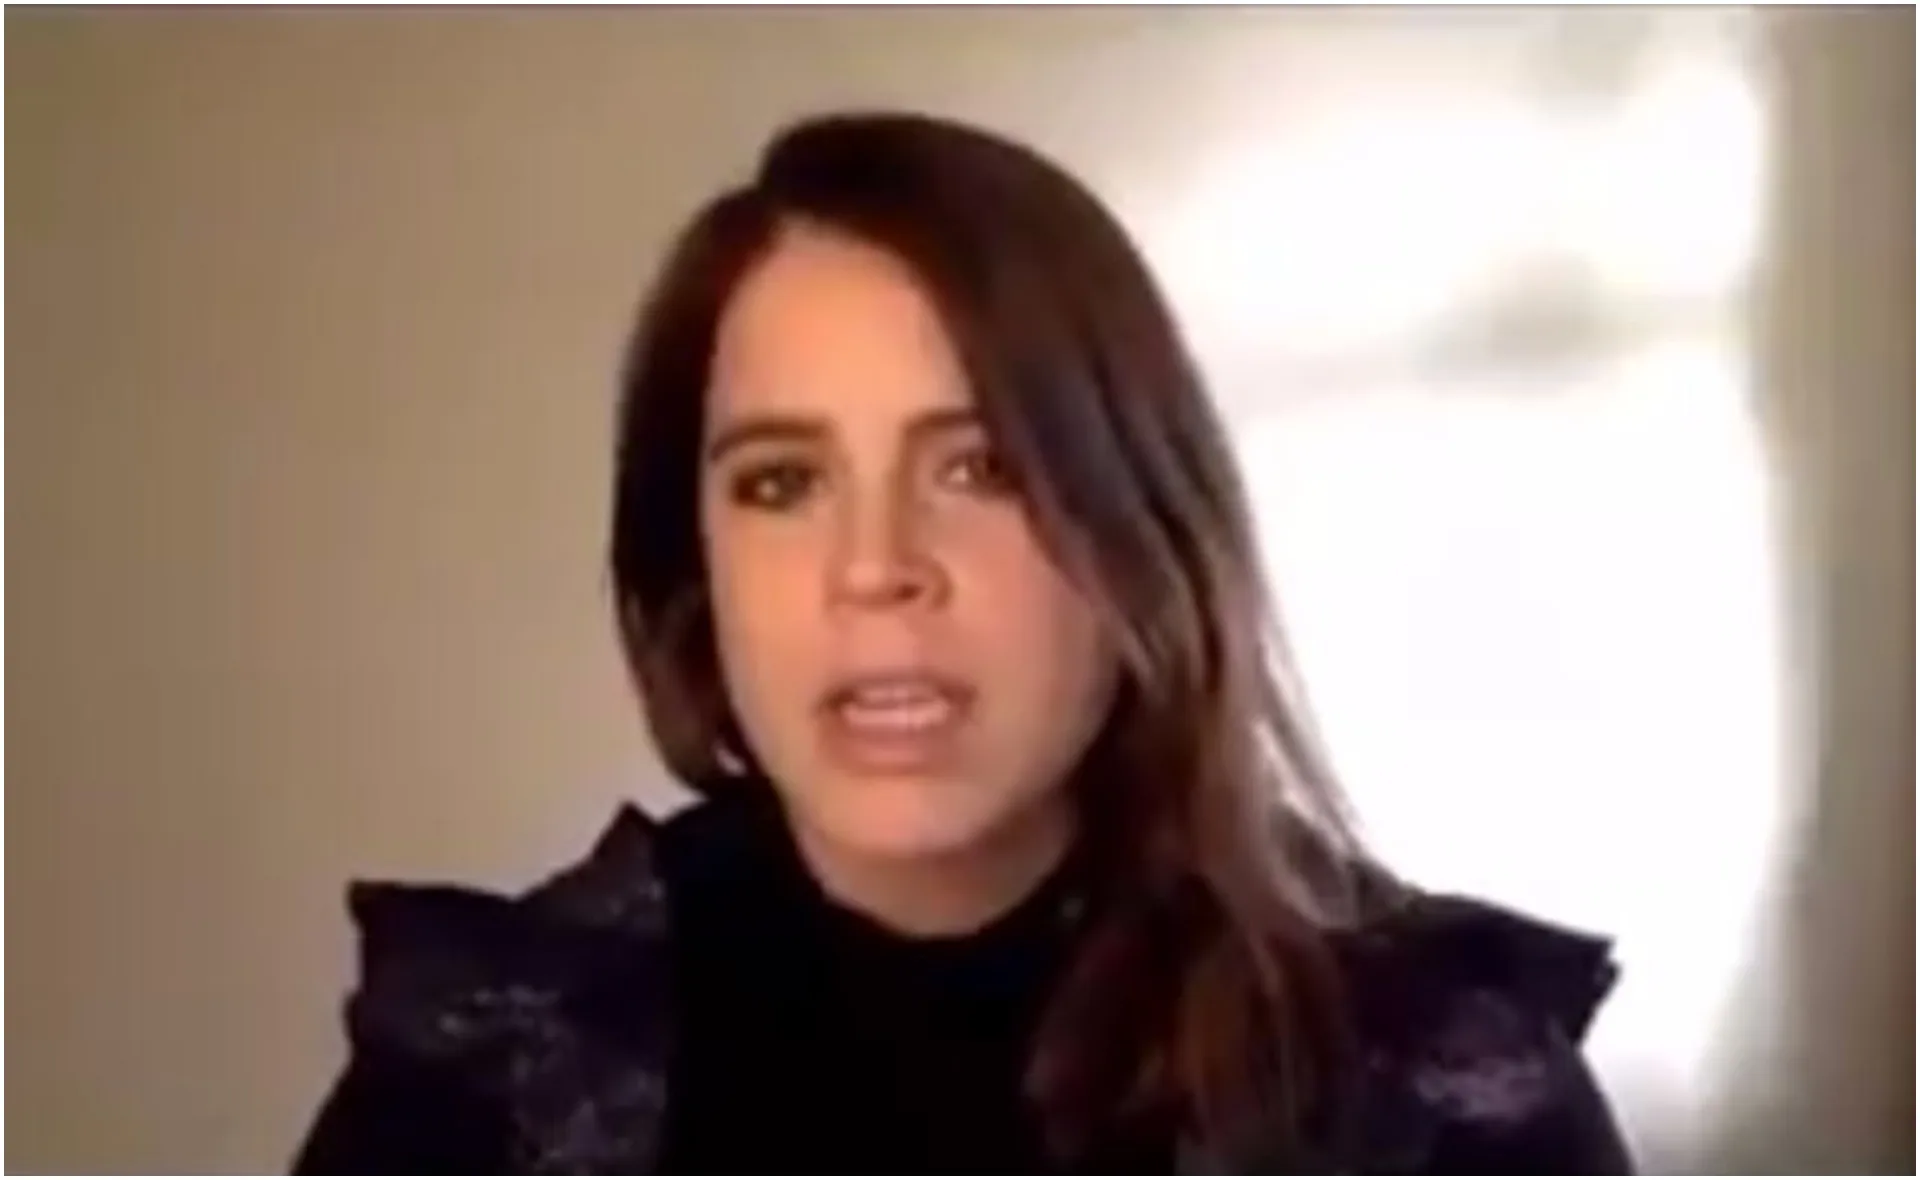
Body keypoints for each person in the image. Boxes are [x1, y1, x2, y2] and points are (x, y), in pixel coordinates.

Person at [293, 111, 1633, 1175]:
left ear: (1137, 526)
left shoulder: (1444, 1085)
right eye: (780, 482)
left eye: (981, 467)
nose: (875, 571)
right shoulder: (483, 1069)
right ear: (691, 562)